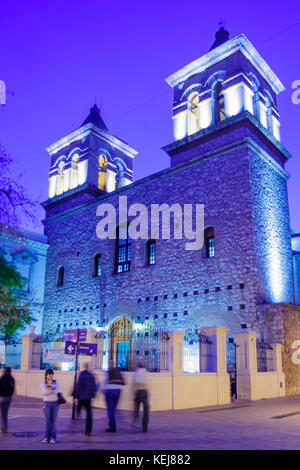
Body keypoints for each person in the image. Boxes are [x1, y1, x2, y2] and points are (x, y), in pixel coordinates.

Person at [72, 363, 97, 436]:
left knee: (79, 408)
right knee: (89, 414)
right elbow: (94, 386)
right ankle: (88, 430)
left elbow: (78, 385)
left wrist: (75, 396)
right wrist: (93, 394)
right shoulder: (91, 375)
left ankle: (77, 417)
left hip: (82, 397)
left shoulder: (82, 375)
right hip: (88, 398)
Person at [102, 363, 125, 433]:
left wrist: (102, 390)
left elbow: (104, 382)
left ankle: (112, 427)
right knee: (113, 410)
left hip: (110, 391)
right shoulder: (118, 373)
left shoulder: (109, 373)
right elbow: (123, 382)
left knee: (110, 410)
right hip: (118, 391)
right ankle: (112, 426)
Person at [41, 369, 60, 444]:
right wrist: (52, 390)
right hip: (47, 404)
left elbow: (57, 391)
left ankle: (53, 438)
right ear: (46, 375)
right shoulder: (43, 383)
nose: (50, 375)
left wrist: (50, 389)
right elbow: (45, 392)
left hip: (55, 403)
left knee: (54, 422)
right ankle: (46, 437)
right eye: (48, 374)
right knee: (48, 421)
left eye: (51, 374)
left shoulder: (56, 382)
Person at [132, 363, 150, 432]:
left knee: (136, 407)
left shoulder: (136, 373)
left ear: (138, 367)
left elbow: (133, 383)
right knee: (146, 409)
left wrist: (133, 394)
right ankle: (145, 425)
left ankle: (134, 421)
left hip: (138, 391)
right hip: (145, 391)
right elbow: (150, 383)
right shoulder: (146, 373)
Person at [0, 367, 15, 434]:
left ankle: (2, 428)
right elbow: (13, 389)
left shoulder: (2, 378)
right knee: (5, 414)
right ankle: (5, 428)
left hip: (2, 397)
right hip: (8, 398)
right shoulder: (12, 379)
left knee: (1, 414)